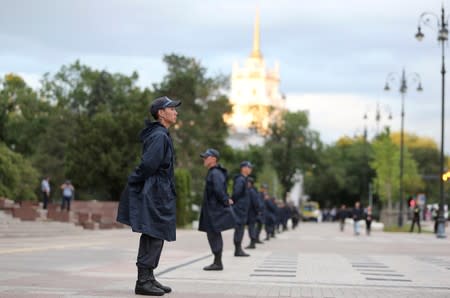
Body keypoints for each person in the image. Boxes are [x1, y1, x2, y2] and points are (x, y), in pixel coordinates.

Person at [117, 96, 181, 296]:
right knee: (153, 232)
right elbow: (148, 165)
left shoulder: (160, 134)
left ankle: (149, 277)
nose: (176, 112)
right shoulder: (159, 136)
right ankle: (143, 281)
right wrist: (134, 180)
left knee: (155, 232)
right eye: (172, 109)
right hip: (155, 188)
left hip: (158, 187)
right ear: (161, 113)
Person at [198, 148, 235, 271]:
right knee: (213, 234)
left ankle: (218, 263)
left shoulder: (215, 173)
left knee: (214, 234)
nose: (204, 159)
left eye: (206, 157)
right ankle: (217, 261)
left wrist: (225, 200)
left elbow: (219, 190)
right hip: (212, 209)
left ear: (213, 159)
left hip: (213, 210)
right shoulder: (214, 172)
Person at [232, 161, 253, 257]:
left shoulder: (244, 179)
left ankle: (238, 248)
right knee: (239, 229)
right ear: (243, 168)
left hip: (242, 209)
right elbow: (236, 193)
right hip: (240, 209)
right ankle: (237, 249)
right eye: (249, 167)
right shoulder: (241, 180)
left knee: (240, 229)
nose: (250, 169)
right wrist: (238, 204)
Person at [245, 177, 260, 249]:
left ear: (250, 183)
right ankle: (252, 242)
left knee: (251, 228)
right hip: (250, 213)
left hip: (252, 213)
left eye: (247, 182)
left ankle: (252, 243)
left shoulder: (251, 191)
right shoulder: (250, 190)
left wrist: (257, 211)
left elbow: (255, 203)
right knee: (251, 228)